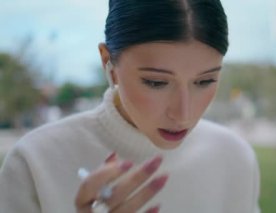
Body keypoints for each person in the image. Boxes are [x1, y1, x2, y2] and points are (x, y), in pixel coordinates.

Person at [0, 0, 261, 212]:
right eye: (156, 83)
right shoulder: (35, 163)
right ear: (108, 64)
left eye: (205, 81)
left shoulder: (233, 157)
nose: (184, 114)